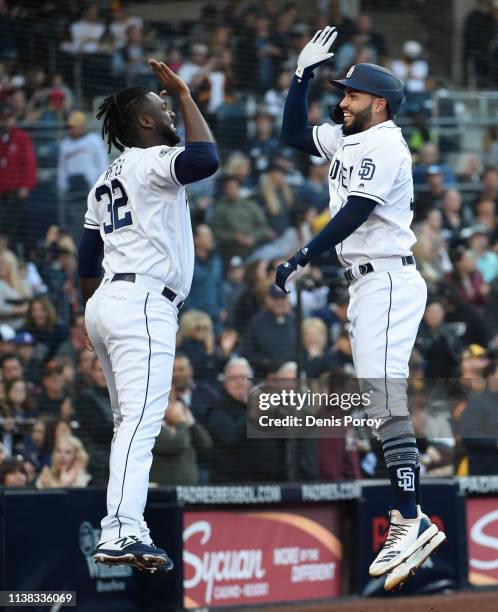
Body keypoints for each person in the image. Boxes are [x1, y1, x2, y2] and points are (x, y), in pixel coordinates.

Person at [276, 26, 445, 591]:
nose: (340, 100)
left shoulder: (387, 143)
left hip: (389, 276)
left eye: (349, 94)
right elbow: (292, 133)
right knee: (378, 401)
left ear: (378, 103)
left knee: (381, 394)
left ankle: (411, 518)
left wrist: (303, 254)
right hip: (367, 283)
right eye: (339, 91)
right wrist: (299, 77)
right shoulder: (350, 138)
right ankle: (409, 516)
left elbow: (355, 212)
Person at [78, 59, 218, 573]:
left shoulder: (105, 178)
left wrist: (89, 319)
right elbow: (205, 160)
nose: (168, 111)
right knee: (139, 424)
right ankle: (121, 531)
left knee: (127, 423)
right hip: (142, 304)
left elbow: (86, 261)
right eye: (159, 107)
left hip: (108, 302)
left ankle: (127, 526)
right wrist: (183, 93)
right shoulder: (151, 158)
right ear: (143, 121)